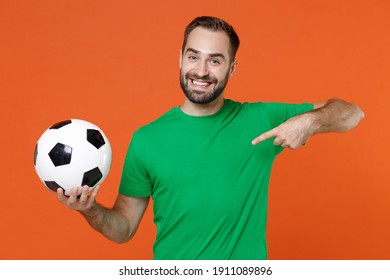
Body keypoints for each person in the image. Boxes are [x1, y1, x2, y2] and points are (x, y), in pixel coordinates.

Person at [57, 16, 364, 260]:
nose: (201, 71)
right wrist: (90, 211)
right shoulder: (146, 140)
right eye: (194, 57)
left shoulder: (259, 119)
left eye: (215, 61)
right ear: (180, 58)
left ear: (232, 67)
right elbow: (123, 229)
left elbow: (352, 114)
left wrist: (310, 122)